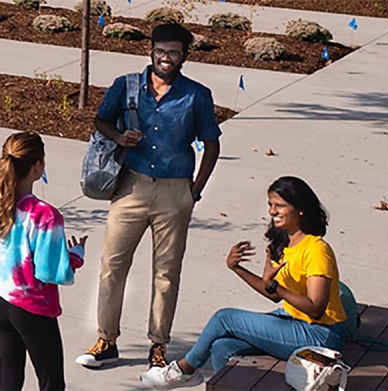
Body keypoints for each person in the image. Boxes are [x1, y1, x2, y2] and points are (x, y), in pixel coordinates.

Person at [76, 23, 221, 369]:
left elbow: (212, 144)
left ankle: (158, 345)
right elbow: (100, 120)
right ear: (151, 51)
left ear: (184, 55)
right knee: (112, 265)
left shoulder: (196, 95)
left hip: (176, 190)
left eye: (173, 52)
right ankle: (106, 340)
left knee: (166, 272)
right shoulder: (126, 86)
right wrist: (119, 135)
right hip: (130, 187)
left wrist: (195, 191)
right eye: (160, 51)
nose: (166, 58)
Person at [140, 176, 348, 389]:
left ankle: (185, 370)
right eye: (270, 205)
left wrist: (276, 286)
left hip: (320, 334)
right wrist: (237, 268)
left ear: (300, 210)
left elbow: (315, 308)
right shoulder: (285, 242)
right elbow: (274, 293)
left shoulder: (316, 250)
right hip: (293, 320)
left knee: (225, 317)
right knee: (223, 347)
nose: (272, 211)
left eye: (280, 206)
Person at [0, 132, 87, 391]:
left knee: (10, 380)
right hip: (33, 308)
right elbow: (53, 272)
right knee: (51, 383)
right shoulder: (44, 216)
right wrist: (75, 257)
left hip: (0, 301)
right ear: (38, 166)